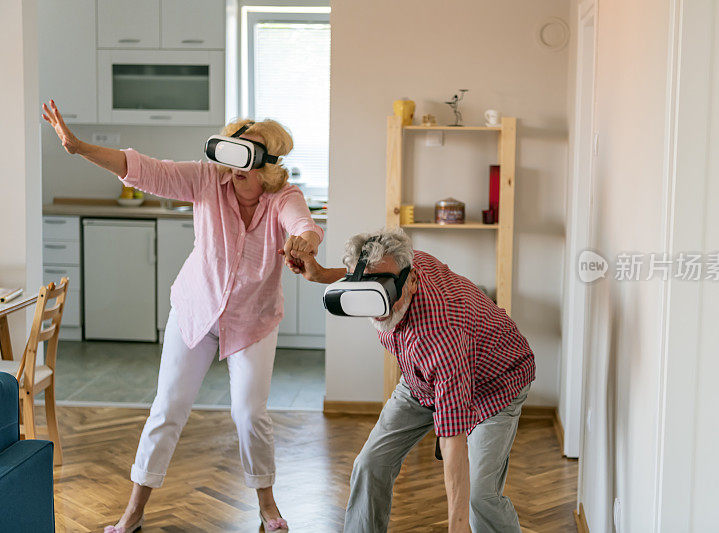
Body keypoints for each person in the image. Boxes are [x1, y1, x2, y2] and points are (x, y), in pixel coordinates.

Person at [41, 100, 323, 533]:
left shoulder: (283, 196)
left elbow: (303, 223)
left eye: (247, 154)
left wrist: (305, 240)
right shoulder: (208, 179)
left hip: (253, 320)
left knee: (249, 414)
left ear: (267, 164)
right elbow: (146, 169)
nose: (235, 164)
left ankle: (267, 507)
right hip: (196, 311)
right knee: (168, 407)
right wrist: (78, 147)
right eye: (232, 150)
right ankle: (133, 512)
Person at [286, 227, 535, 533]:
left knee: (479, 496)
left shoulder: (441, 332)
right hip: (421, 381)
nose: (374, 300)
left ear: (412, 281)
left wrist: (458, 525)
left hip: (494, 383)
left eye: (385, 287)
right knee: (369, 465)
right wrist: (322, 274)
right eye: (361, 286)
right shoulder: (398, 264)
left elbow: (453, 439)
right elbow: (370, 273)